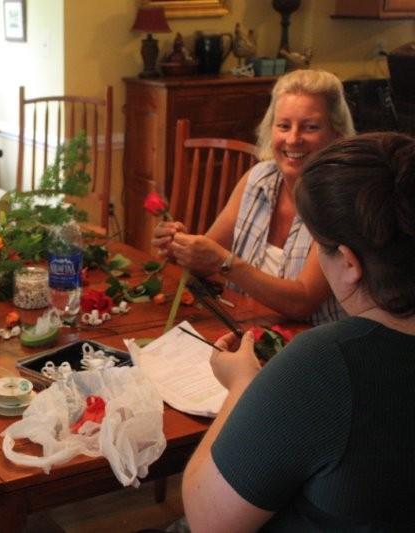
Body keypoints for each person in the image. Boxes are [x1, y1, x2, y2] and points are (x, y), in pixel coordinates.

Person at [182, 132, 415, 531]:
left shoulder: (328, 362)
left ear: (348, 262)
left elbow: (209, 520)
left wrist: (242, 386)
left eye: (318, 246)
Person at [152, 69, 355, 324]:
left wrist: (224, 262)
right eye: (283, 126)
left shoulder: (341, 198)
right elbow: (206, 259)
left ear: (337, 134)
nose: (293, 139)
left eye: (310, 127)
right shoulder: (258, 178)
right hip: (247, 329)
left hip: (315, 346)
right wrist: (178, 247)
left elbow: (302, 302)